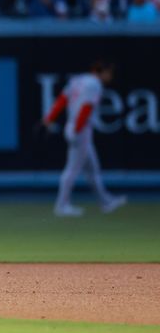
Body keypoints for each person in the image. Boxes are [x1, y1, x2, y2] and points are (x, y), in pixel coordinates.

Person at [40, 61, 127, 217]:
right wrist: (78, 130)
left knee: (92, 169)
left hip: (74, 126)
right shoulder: (95, 85)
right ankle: (62, 205)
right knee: (72, 169)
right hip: (80, 129)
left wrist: (49, 118)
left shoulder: (77, 80)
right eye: (109, 73)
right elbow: (86, 108)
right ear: (103, 71)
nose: (110, 77)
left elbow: (62, 100)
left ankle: (106, 201)